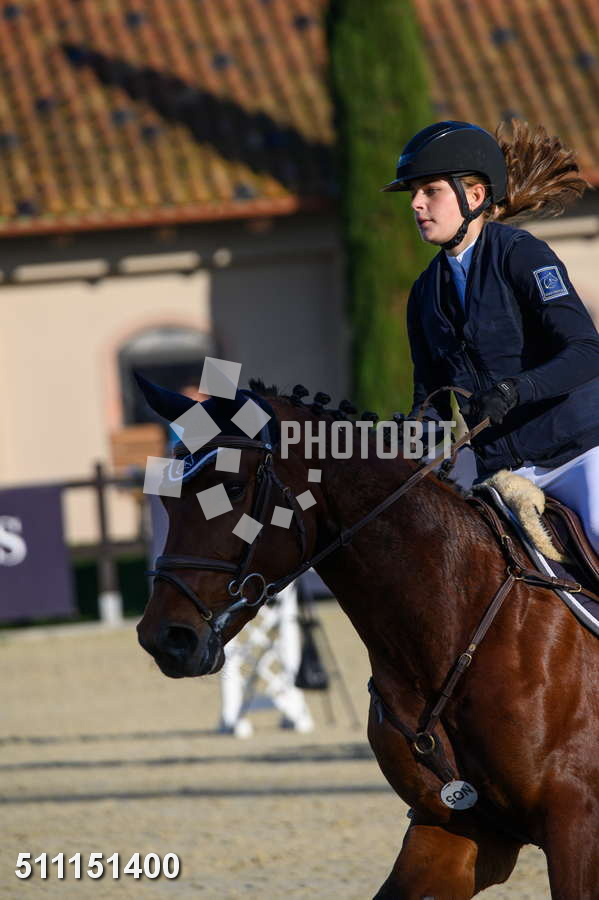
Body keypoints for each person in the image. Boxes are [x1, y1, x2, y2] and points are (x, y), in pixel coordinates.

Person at [382, 120, 599, 554]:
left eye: (430, 191)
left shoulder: (521, 254)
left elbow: (587, 351)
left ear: (475, 197)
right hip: (502, 476)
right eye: (413, 194)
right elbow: (432, 404)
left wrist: (515, 389)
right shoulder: (424, 294)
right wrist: (398, 441)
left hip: (578, 455)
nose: (416, 204)